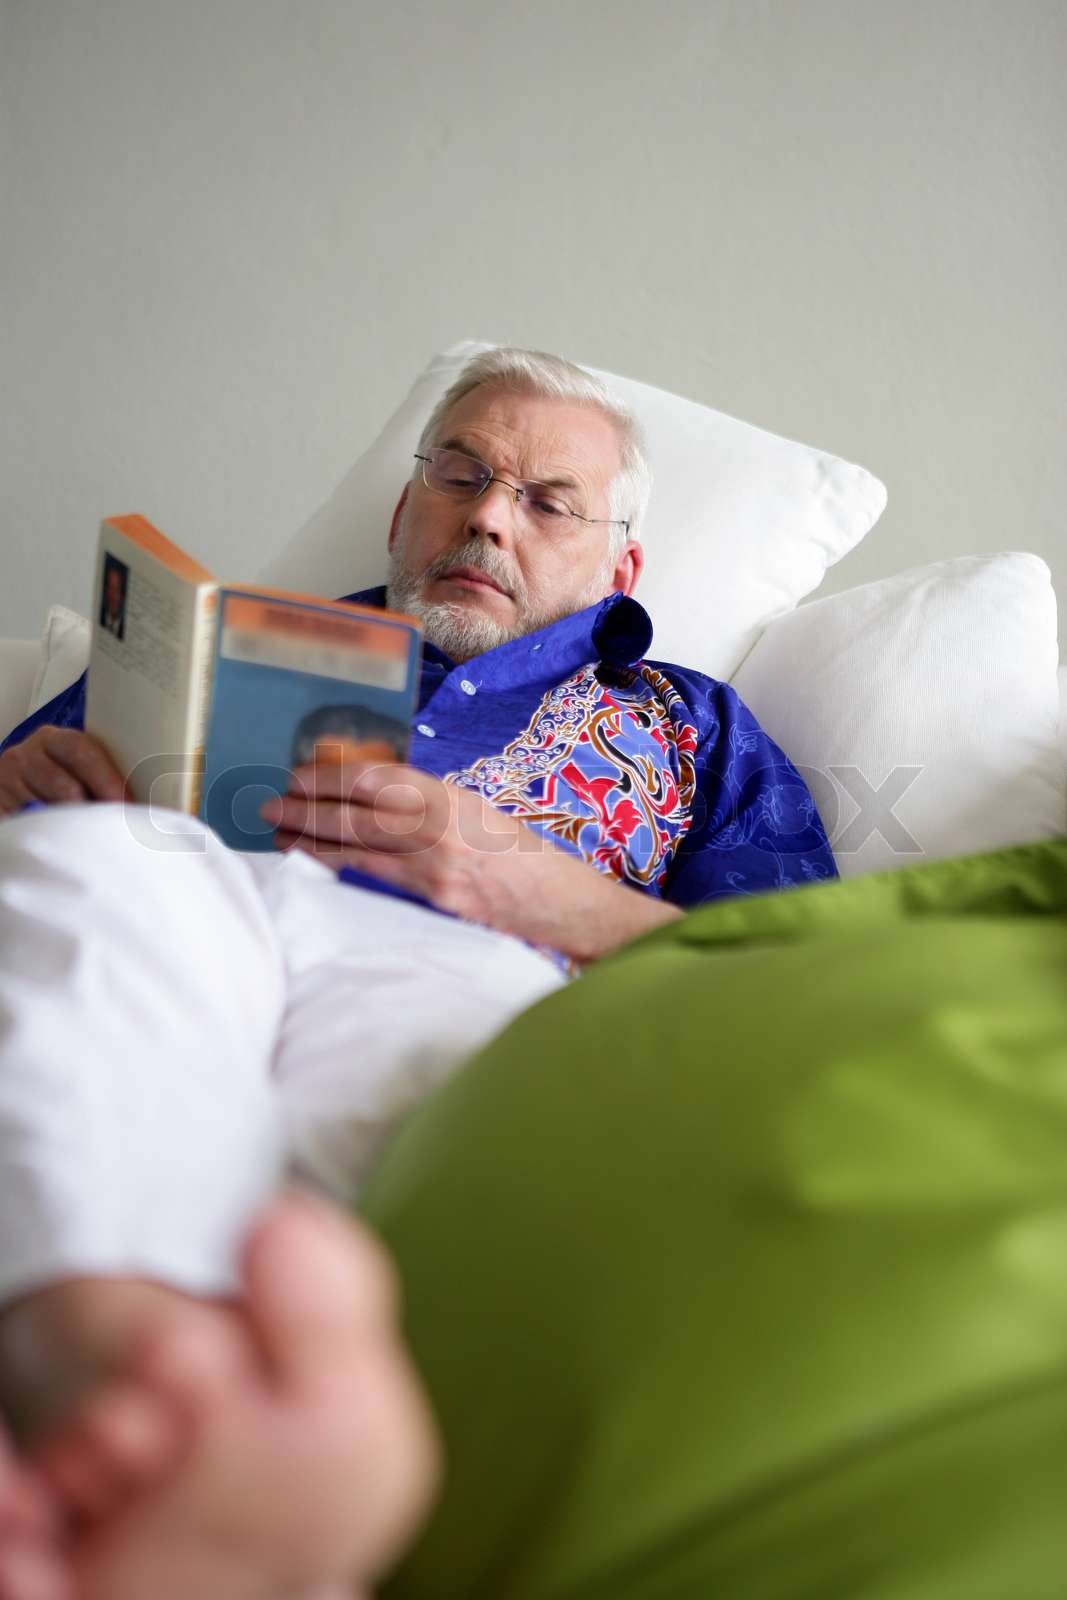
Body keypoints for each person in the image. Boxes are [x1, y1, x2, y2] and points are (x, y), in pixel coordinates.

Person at [0, 348, 835, 1594]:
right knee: (85, 875)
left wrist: (539, 888)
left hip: (469, 958)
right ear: (405, 510)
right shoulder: (216, 642)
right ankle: (118, 1372)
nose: (489, 515)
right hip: (177, 890)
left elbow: (804, 980)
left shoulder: (688, 724)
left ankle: (220, 1448)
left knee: (425, 1066)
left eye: (547, 500)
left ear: (621, 563)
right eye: (460, 474)